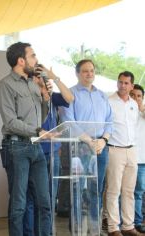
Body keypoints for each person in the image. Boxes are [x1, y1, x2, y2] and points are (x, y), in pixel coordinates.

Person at [0, 42, 54, 236]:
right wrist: (38, 131)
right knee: (19, 205)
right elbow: (11, 122)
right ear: (21, 60)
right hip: (16, 147)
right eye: (33, 56)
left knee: (44, 203)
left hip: (35, 147)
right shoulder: (5, 84)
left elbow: (42, 118)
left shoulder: (33, 84)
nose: (36, 60)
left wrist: (46, 98)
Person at [59, 59, 112, 231]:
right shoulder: (71, 94)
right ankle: (76, 229)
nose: (89, 74)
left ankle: (94, 228)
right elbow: (69, 121)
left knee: (96, 190)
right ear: (77, 73)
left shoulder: (102, 95)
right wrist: (89, 141)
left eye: (92, 70)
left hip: (100, 147)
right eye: (85, 71)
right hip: (79, 146)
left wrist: (103, 140)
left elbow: (109, 121)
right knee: (77, 191)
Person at [23, 64, 74, 235]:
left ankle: (47, 232)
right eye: (37, 76)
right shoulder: (27, 97)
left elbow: (70, 98)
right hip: (34, 150)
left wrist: (54, 77)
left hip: (52, 152)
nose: (41, 80)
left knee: (49, 196)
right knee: (32, 197)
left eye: (43, 76)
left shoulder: (52, 97)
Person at [105, 71, 143, 236]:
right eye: (120, 82)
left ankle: (128, 226)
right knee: (114, 190)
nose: (122, 85)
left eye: (126, 83)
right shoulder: (109, 102)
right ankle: (113, 227)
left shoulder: (134, 104)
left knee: (129, 190)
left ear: (131, 86)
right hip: (114, 150)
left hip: (132, 150)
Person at [130, 84, 145, 233]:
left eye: (139, 96)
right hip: (126, 157)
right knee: (123, 192)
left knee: (138, 192)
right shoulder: (124, 110)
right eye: (133, 95)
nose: (136, 98)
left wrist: (141, 108)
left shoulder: (142, 112)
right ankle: (123, 222)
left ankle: (137, 221)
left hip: (141, 159)